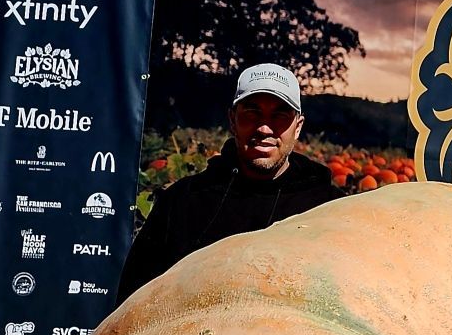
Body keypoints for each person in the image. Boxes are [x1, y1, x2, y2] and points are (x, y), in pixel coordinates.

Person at [116, 63, 341, 305]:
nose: (264, 128)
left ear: (297, 127)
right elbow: (132, 301)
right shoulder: (182, 202)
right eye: (252, 113)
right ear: (233, 120)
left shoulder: (329, 210)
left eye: (279, 116)